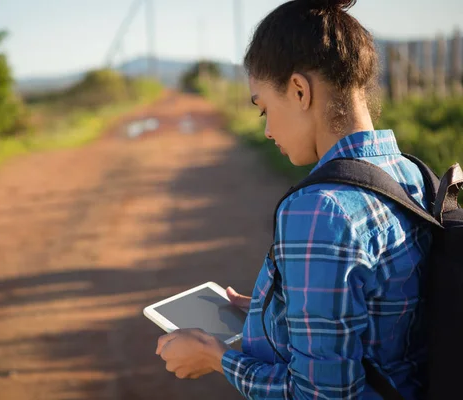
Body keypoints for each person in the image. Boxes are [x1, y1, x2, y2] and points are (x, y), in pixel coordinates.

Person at [155, 0, 432, 398]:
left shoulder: (321, 209)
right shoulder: (410, 174)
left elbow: (319, 394)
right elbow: (378, 313)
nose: (267, 130)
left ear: (300, 90)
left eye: (264, 108)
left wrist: (217, 358)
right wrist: (276, 309)